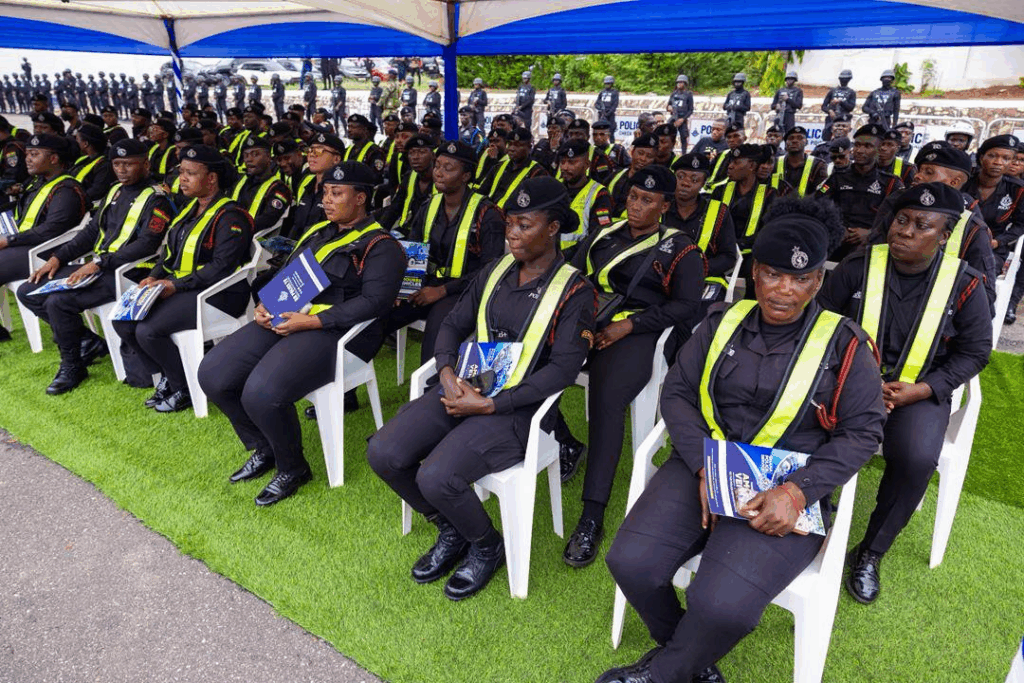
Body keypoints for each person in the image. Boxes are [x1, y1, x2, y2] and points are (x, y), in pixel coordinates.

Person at [598, 197, 886, 683]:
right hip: (704, 465)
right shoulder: (719, 322)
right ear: (755, 273)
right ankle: (690, 657)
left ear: (817, 280)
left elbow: (864, 432)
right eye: (774, 274)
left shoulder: (846, 343)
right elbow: (678, 393)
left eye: (800, 279)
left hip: (786, 485)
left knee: (722, 606)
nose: (784, 291)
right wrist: (702, 467)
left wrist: (796, 493)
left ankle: (664, 672)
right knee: (631, 564)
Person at [367, 176, 596, 601]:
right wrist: (448, 372)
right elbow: (453, 323)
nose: (511, 232)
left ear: (552, 228)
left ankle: (487, 545)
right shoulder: (494, 270)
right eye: (510, 222)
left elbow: (564, 371)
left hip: (517, 411)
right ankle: (452, 529)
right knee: (384, 453)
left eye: (525, 225)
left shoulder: (576, 291)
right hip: (467, 386)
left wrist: (492, 405)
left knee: (437, 475)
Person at [817, 182, 991, 604]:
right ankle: (814, 518)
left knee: (915, 457)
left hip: (916, 390)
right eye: (902, 220)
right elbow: (819, 325)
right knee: (807, 429)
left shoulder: (965, 285)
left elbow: (976, 352)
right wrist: (854, 380)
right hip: (848, 383)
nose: (906, 231)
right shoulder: (857, 267)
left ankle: (871, 552)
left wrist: (926, 389)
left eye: (922, 225)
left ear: (944, 237)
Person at [198, 159, 403, 505]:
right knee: (214, 374)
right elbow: (291, 274)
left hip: (341, 335)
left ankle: (292, 467)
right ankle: (265, 447)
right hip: (290, 320)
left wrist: (313, 322)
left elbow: (375, 303)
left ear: (361, 199)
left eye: (337, 193)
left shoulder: (381, 246)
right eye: (325, 192)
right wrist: (267, 304)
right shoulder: (319, 231)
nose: (327, 199)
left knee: (261, 392)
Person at [555, 165, 706, 567]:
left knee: (605, 400)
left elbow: (688, 306)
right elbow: (568, 269)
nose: (636, 205)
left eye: (647, 200)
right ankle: (567, 441)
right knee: (536, 369)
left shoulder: (682, 249)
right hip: (587, 319)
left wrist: (630, 325)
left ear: (665, 206)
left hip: (638, 333)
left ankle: (592, 515)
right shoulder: (606, 234)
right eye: (633, 196)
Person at [17, 138, 173, 393]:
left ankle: (73, 364)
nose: (121, 170)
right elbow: (90, 233)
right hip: (99, 267)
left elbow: (147, 245)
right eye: (117, 164)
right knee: (28, 290)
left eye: (128, 164)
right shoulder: (115, 190)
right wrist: (58, 258)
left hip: (130, 272)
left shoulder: (157, 198)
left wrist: (99, 263)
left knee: (58, 302)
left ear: (145, 164)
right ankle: (86, 341)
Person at [112, 144, 253, 412]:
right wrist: (153, 278)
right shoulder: (191, 208)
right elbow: (169, 254)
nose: (182, 179)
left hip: (218, 295)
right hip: (185, 288)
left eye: (190, 173)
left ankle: (184, 387)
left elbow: (221, 268)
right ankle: (168, 374)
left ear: (211, 179)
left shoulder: (230, 216)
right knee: (124, 319)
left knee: (148, 330)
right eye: (181, 173)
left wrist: (174, 285)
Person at [384, 140, 505, 369]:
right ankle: (346, 390)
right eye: (438, 166)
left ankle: (430, 392)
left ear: (466, 176)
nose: (439, 173)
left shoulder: (487, 215)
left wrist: (442, 291)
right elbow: (415, 250)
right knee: (381, 312)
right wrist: (404, 288)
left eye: (448, 169)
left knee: (439, 327)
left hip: (465, 291)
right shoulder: (429, 205)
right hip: (428, 284)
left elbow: (490, 270)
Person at [868, 141, 997, 314]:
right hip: (882, 298)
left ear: (954, 182)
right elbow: (870, 252)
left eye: (928, 172)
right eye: (919, 170)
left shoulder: (972, 227)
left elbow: (985, 297)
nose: (917, 176)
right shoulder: (897, 203)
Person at [0, 134, 89, 343]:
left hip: (44, 252)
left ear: (54, 158)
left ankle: (84, 339)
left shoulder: (66, 189)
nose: (27, 159)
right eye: (28, 154)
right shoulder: (37, 182)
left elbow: (51, 230)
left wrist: (9, 240)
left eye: (34, 154)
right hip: (24, 245)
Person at [817, 123, 904, 261]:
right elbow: (817, 205)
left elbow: (898, 219)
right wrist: (837, 229)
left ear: (879, 149)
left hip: (871, 250)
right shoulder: (837, 178)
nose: (859, 150)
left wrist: (871, 234)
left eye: (867, 146)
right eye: (857, 145)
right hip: (836, 245)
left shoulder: (891, 183)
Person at [664, 152, 738, 311]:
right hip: (662, 278)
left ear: (704, 183)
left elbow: (729, 256)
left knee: (698, 315)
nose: (685, 183)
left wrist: (695, 270)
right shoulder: (660, 207)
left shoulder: (718, 211)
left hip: (705, 278)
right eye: (680, 177)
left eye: (694, 179)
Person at [962, 134, 1024, 323]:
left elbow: (1021, 224)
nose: (998, 162)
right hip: (957, 243)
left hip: (992, 248)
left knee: (979, 276)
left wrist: (999, 242)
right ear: (981, 157)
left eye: (1006, 158)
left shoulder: (1017, 189)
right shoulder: (965, 180)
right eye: (993, 156)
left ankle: (977, 323)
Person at [711, 144, 780, 291]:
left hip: (752, 253)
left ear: (751, 166)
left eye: (736, 163)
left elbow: (768, 231)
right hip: (721, 251)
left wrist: (741, 244)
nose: (730, 166)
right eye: (730, 162)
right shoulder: (719, 191)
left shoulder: (769, 194)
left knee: (757, 276)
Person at [558, 138, 614, 255]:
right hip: (552, 262)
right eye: (562, 162)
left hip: (580, 265)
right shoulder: (555, 190)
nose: (565, 167)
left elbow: (598, 236)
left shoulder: (599, 194)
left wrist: (566, 254)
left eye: (572, 162)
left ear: (587, 165)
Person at [287, 131, 345, 239]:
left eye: (319, 150)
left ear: (336, 159)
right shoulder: (306, 183)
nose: (312, 155)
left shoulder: (341, 191)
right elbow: (297, 224)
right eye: (311, 150)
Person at [231, 135, 292, 234]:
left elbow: (268, 219)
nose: (248, 160)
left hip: (249, 238)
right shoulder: (239, 181)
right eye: (246, 155)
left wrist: (235, 229)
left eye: (255, 154)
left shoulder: (278, 188)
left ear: (268, 157)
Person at [479, 126, 547, 208]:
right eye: (510, 144)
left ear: (529, 147)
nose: (512, 149)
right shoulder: (498, 167)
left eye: (518, 145)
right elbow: (482, 191)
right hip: (491, 213)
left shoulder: (537, 172)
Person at [380, 133, 435, 233]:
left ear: (433, 155)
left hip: (433, 234)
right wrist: (380, 232)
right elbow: (395, 207)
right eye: (412, 153)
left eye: (421, 152)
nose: (415, 157)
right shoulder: (409, 176)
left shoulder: (443, 179)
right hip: (408, 230)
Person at [607, 133, 658, 219]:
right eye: (640, 153)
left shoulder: (654, 184)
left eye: (649, 156)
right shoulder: (616, 175)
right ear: (632, 152)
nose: (643, 159)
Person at [774, 126, 828, 197]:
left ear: (806, 142)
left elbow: (825, 188)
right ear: (785, 143)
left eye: (800, 138)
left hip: (808, 206)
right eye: (791, 138)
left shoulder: (818, 165)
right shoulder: (775, 163)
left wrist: (818, 197)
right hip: (778, 206)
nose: (795, 141)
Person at [666, 75, 694, 153]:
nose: (679, 84)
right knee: (669, 136)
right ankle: (669, 152)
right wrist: (669, 108)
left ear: (685, 83)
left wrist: (682, 119)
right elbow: (668, 105)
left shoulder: (688, 94)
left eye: (681, 82)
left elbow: (691, 110)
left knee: (683, 138)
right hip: (673, 118)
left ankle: (683, 154)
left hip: (682, 118)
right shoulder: (674, 94)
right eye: (678, 82)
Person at [595, 76, 620, 142]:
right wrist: (600, 109)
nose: (607, 85)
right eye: (606, 84)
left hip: (610, 115)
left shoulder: (614, 92)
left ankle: (612, 146)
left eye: (609, 84)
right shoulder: (602, 92)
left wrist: (608, 113)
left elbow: (615, 104)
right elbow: (597, 103)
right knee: (600, 131)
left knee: (611, 132)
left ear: (612, 84)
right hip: (601, 115)